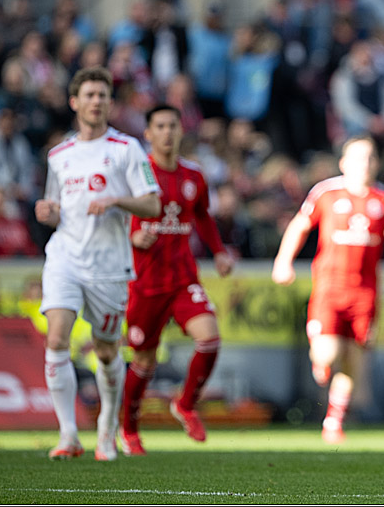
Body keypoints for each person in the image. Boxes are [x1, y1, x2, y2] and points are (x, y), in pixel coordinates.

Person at [34, 67, 161, 461]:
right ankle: (68, 434)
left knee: (106, 351)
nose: (96, 101)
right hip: (65, 257)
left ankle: (107, 426)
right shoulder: (59, 155)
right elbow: (57, 208)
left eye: (102, 95)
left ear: (110, 103)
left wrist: (116, 200)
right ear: (74, 102)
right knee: (57, 337)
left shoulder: (127, 149)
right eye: (89, 95)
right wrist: (47, 213)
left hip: (109, 265)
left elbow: (153, 203)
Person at [271, 135, 384, 443]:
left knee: (354, 360)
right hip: (330, 287)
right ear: (344, 163)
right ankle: (321, 362)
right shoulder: (326, 192)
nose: (365, 164)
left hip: (365, 293)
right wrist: (283, 261)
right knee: (328, 354)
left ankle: (333, 422)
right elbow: (300, 225)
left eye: (370, 158)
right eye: (358, 157)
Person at [119, 104, 235, 456]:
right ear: (148, 133)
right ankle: (129, 429)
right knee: (144, 360)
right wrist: (132, 237)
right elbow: (115, 216)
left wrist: (219, 252)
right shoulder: (137, 174)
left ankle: (185, 404)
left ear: (181, 131)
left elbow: (203, 216)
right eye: (160, 126)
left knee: (210, 337)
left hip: (183, 278)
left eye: (173, 125)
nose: (167, 132)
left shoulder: (194, 176)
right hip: (145, 283)